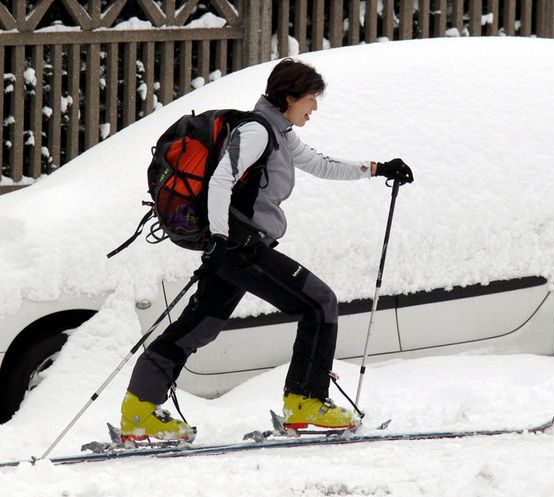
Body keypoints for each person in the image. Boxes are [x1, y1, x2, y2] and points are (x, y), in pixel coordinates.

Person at [119, 58, 414, 441]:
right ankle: (305, 401)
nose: (315, 108)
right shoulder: (258, 131)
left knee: (201, 325)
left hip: (232, 246)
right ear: (289, 97)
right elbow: (222, 179)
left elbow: (321, 165)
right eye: (311, 99)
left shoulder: (279, 132)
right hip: (239, 246)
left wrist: (376, 168)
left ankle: (139, 409)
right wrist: (222, 240)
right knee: (319, 302)